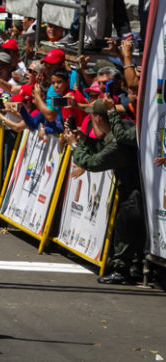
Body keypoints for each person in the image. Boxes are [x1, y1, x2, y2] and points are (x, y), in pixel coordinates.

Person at [65, 98, 147, 284]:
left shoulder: (119, 141)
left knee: (124, 229)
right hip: (136, 188)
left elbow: (93, 163)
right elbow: (103, 148)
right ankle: (134, 267)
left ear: (98, 118)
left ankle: (121, 270)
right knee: (132, 230)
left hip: (134, 190)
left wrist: (75, 146)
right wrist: (84, 140)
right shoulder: (124, 128)